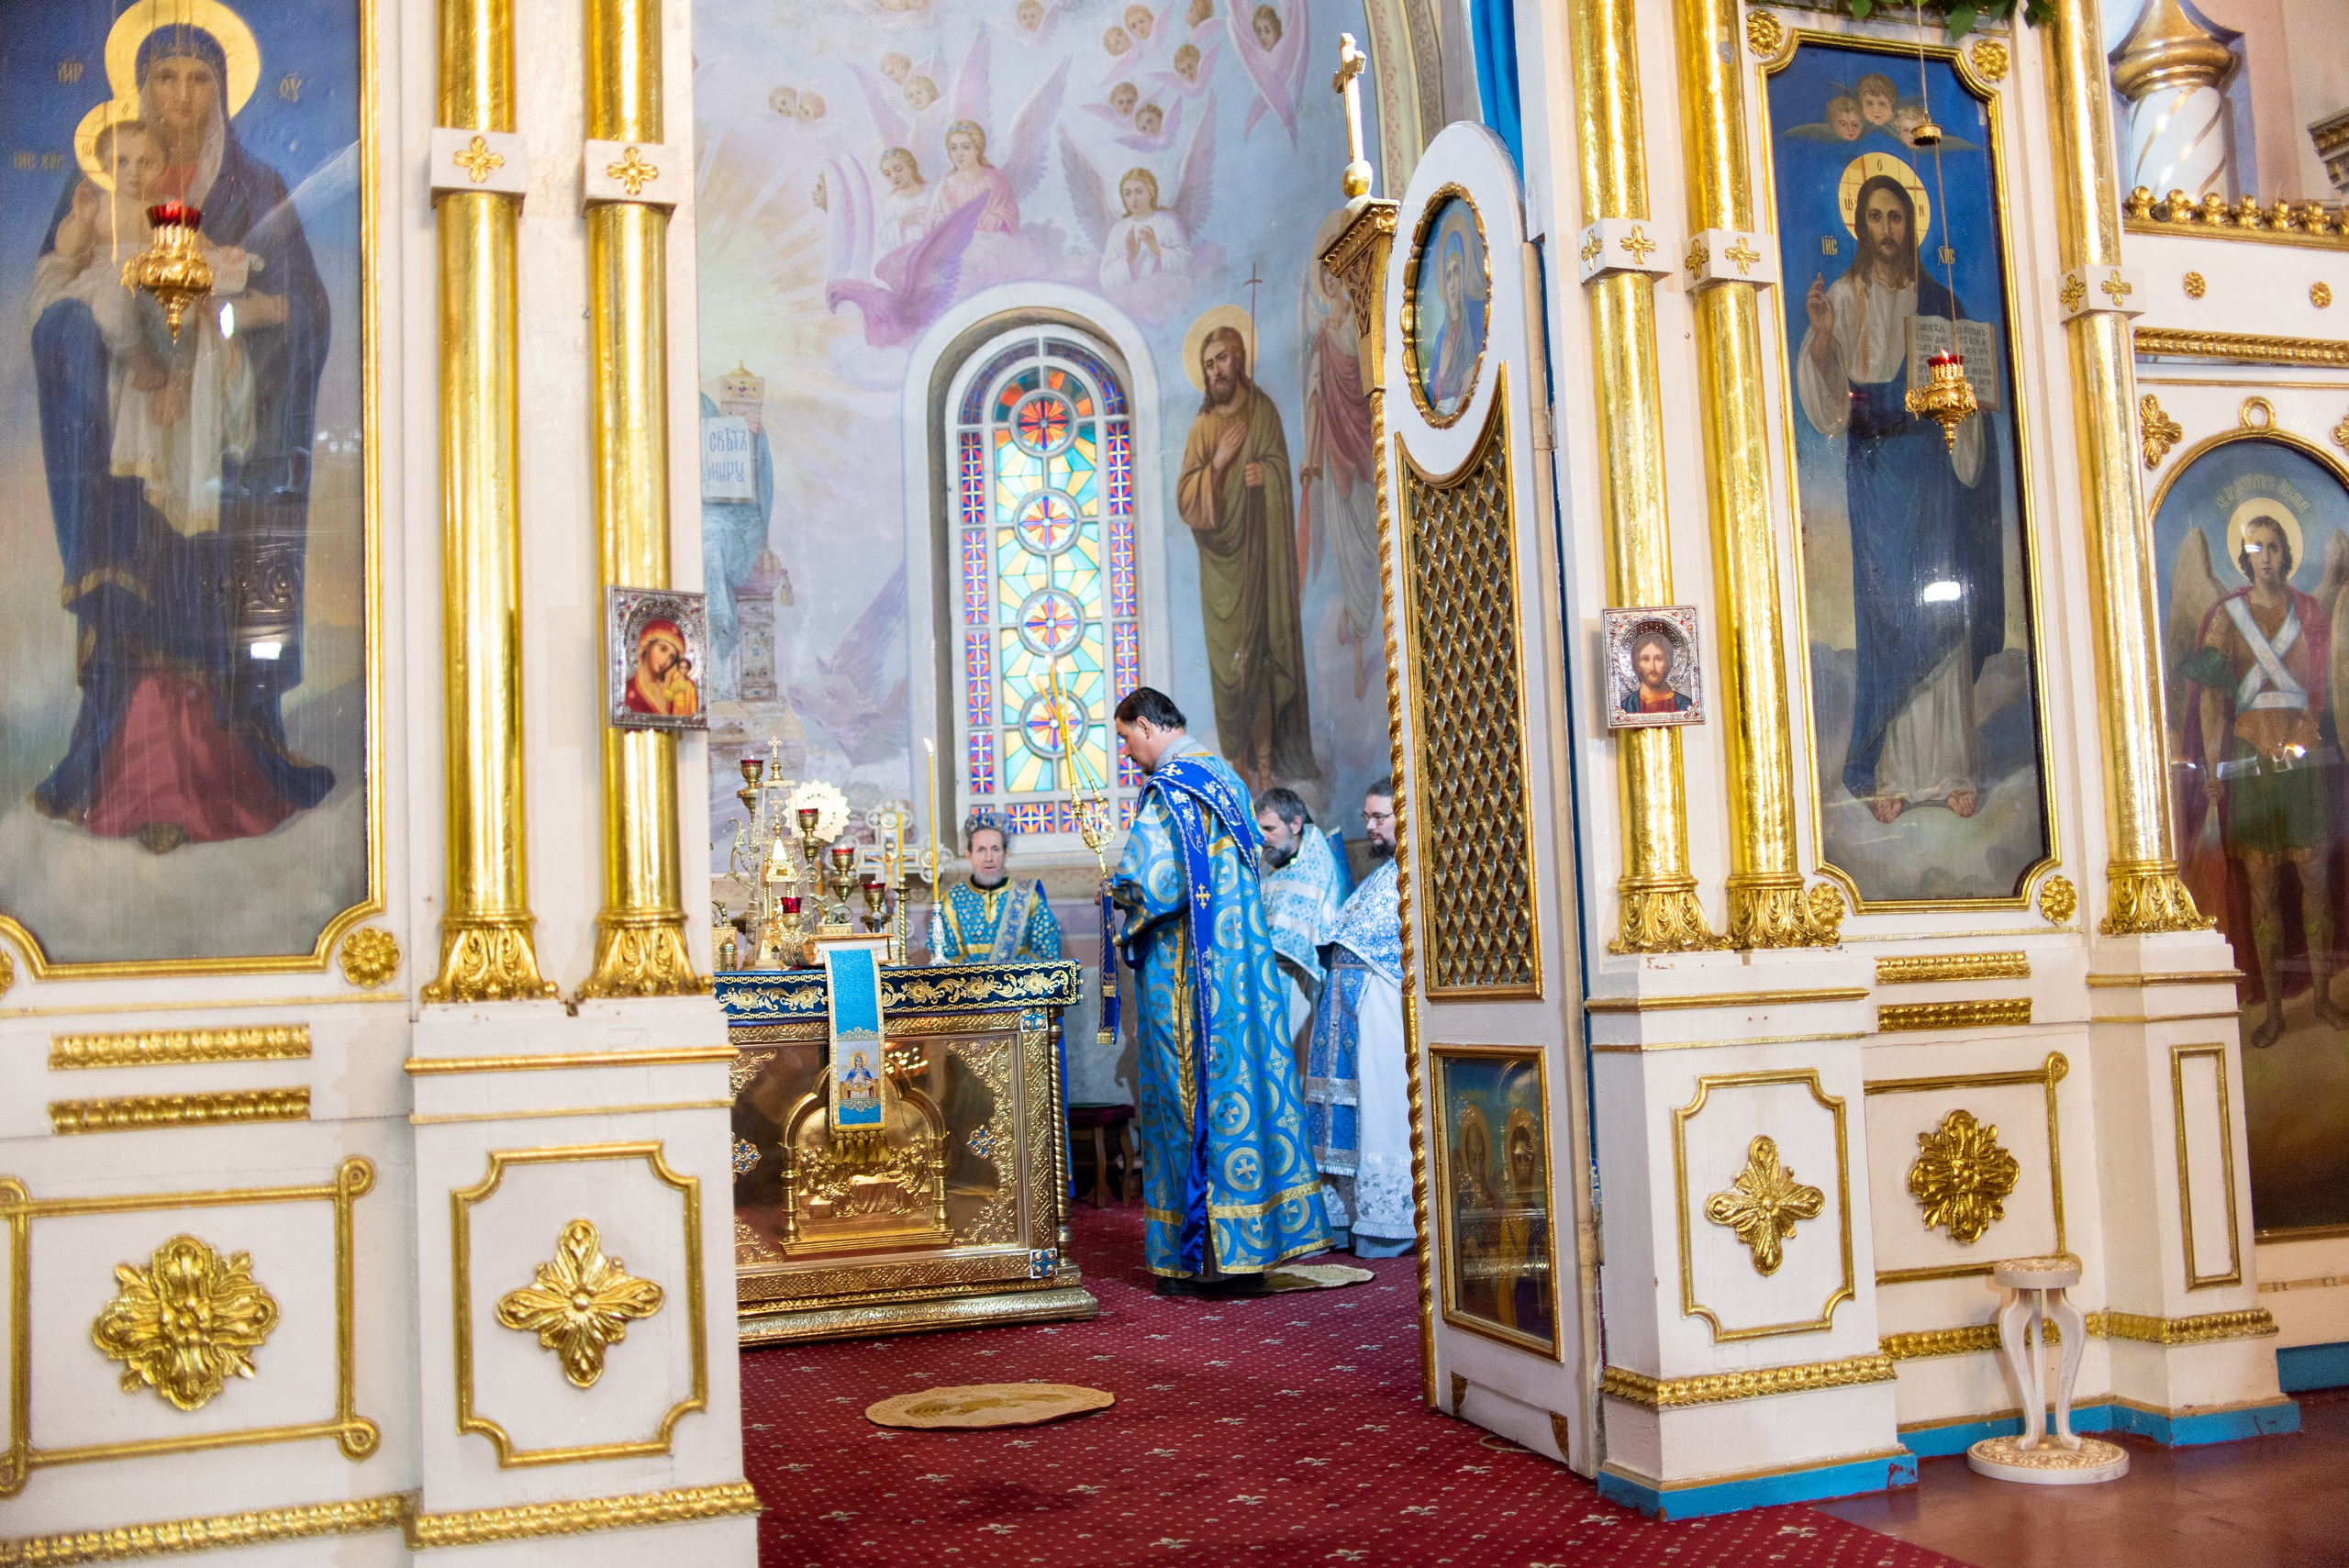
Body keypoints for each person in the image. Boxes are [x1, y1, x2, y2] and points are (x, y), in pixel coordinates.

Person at [31, 20, 335, 851]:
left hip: (224, 444)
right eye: (163, 77)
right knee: (141, 593)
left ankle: (233, 771)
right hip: (130, 442)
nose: (180, 97)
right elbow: (53, 307)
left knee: (214, 588)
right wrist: (116, 345)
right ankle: (134, 778)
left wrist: (230, 314)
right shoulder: (98, 186)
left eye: (197, 79)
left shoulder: (256, 186)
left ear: (223, 90)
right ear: (138, 87)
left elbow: (306, 314)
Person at [1797, 169, 1999, 824]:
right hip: (1877, 468)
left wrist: (1959, 400)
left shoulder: (1937, 302)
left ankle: (1948, 769)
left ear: (1911, 224)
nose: (1888, 230)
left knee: (1936, 595)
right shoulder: (1847, 295)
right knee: (1887, 606)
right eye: (1877, 218)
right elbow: (1830, 409)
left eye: (1897, 217)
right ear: (1861, 225)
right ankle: (1889, 770)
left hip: (1930, 467)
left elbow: (1966, 392)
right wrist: (1823, 333)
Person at [1111, 687, 1330, 1294]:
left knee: (1187, 1101)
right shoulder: (1227, 780)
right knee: (1243, 1092)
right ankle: (1246, 1251)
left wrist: (1118, 893)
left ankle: (1196, 1260)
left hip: (1188, 981)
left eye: (1127, 738)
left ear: (1150, 726)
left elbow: (1154, 882)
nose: (1128, 753)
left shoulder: (1172, 790)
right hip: (1239, 973)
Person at [2180, 506, 2343, 1049]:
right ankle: (2274, 1010)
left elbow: (2329, 684)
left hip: (2303, 761)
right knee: (2263, 891)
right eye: (2255, 548)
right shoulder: (2227, 617)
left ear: (2286, 553)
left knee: (2316, 883)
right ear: (2244, 558)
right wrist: (2210, 767)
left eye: (2273, 546)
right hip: (2252, 765)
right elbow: (2209, 700)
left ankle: (2321, 997)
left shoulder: (2312, 614)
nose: (2266, 557)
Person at [1175, 323, 1317, 794]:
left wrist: (1267, 476)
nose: (1216, 369)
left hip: (1261, 561)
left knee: (1261, 662)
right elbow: (1187, 502)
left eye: (1223, 358)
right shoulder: (1203, 428)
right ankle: (1238, 766)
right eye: (1209, 362)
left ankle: (1266, 769)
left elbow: (1283, 472)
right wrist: (1217, 465)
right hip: (1222, 570)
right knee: (1232, 672)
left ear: (1238, 359)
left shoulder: (1263, 413)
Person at [1304, 779, 1411, 1257]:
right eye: (1366, 817)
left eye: (1378, 817)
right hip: (1350, 1013)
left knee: (1381, 1108)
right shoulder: (1384, 873)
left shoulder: (1414, 875)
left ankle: (1388, 1222)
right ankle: (1347, 1218)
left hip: (1383, 1013)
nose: (1368, 826)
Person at [1257, 786, 1350, 1056]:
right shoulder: (1277, 863)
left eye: (1269, 829)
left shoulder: (1316, 867)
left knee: (1296, 1067)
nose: (1262, 838)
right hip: (1272, 981)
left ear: (1296, 824)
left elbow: (1296, 941)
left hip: (1300, 985)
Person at [934, 814, 1063, 962]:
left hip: (1018, 984)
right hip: (967, 984)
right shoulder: (951, 901)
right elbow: (942, 959)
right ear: (969, 855)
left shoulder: (1029, 898)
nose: (989, 858)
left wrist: (1005, 975)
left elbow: (1047, 955)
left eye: (995, 849)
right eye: (981, 850)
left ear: (1006, 853)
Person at [926, 120, 1019, 235]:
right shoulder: (945, 186)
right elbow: (930, 223)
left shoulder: (995, 180)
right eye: (953, 148)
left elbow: (1012, 213)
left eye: (966, 147)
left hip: (991, 244)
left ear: (977, 149)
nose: (959, 154)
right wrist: (943, 219)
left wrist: (999, 216)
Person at [1100, 167, 1189, 287]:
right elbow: (1105, 276)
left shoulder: (1166, 223)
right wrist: (1130, 258)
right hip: (1130, 296)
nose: (1133, 199)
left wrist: (1156, 250)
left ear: (1151, 193)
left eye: (1139, 191)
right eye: (1127, 193)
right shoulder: (1119, 229)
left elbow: (1187, 263)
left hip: (1164, 294)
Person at [624, 618, 699, 717]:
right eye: (663, 649)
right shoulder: (627, 690)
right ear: (646, 644)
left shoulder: (674, 693)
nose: (665, 661)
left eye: (672, 657)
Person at [1620, 628, 1694, 715]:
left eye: (1659, 659)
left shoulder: (1684, 705)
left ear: (1667, 662)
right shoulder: (1625, 707)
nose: (1652, 667)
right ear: (1637, 664)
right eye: (1645, 659)